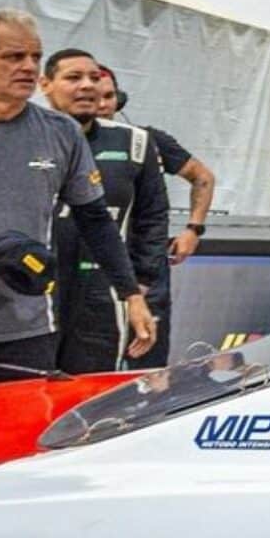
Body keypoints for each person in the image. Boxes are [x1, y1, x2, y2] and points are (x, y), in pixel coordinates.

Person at [0, 11, 154, 380]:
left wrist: (132, 294)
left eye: (35, 56)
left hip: (25, 325)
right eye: (14, 57)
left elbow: (96, 221)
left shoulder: (61, 132)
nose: (29, 67)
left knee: (21, 433)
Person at [42, 49, 169, 374]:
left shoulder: (135, 142)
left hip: (104, 288)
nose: (87, 86)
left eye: (94, 78)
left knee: (93, 391)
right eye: (73, 78)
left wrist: (141, 280)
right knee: (29, 391)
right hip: (36, 289)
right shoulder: (26, 137)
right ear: (46, 84)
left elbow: (152, 216)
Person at [100, 65, 218, 368]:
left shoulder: (145, 140)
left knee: (149, 366)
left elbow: (202, 177)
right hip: (88, 268)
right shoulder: (59, 141)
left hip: (144, 264)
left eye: (108, 96)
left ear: (119, 100)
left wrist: (193, 229)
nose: (100, 104)